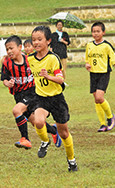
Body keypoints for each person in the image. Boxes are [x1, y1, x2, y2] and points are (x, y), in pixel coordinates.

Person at [27, 26, 77, 172]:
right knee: (38, 121)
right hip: (41, 98)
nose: (36, 43)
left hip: (57, 99)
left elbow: (61, 80)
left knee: (64, 133)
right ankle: (45, 141)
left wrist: (49, 77)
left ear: (48, 41)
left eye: (39, 39)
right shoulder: (30, 59)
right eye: (33, 40)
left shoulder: (53, 58)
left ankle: (71, 160)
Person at [1, 35, 62, 149]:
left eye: (11, 48)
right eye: (7, 49)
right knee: (35, 122)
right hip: (18, 95)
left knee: (16, 110)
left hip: (32, 93)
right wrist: (7, 83)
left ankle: (25, 139)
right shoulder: (6, 63)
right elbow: (4, 78)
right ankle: (54, 130)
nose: (9, 51)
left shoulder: (30, 60)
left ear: (20, 47)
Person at [85, 22, 115, 132]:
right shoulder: (89, 45)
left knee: (99, 97)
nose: (95, 33)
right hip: (93, 74)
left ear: (103, 32)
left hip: (104, 74)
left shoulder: (107, 46)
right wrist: (87, 65)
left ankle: (110, 116)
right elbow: (87, 60)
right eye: (93, 31)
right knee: (96, 100)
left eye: (98, 31)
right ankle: (102, 124)